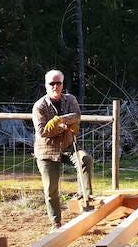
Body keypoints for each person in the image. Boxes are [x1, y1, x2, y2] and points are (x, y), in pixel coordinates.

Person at [32, 69, 94, 228]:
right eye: (51, 83)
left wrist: (59, 121)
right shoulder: (39, 106)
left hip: (68, 146)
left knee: (85, 159)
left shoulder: (70, 99)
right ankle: (56, 222)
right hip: (47, 152)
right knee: (51, 190)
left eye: (58, 83)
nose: (55, 86)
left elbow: (77, 115)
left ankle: (85, 197)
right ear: (46, 85)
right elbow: (43, 131)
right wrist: (65, 124)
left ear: (62, 84)